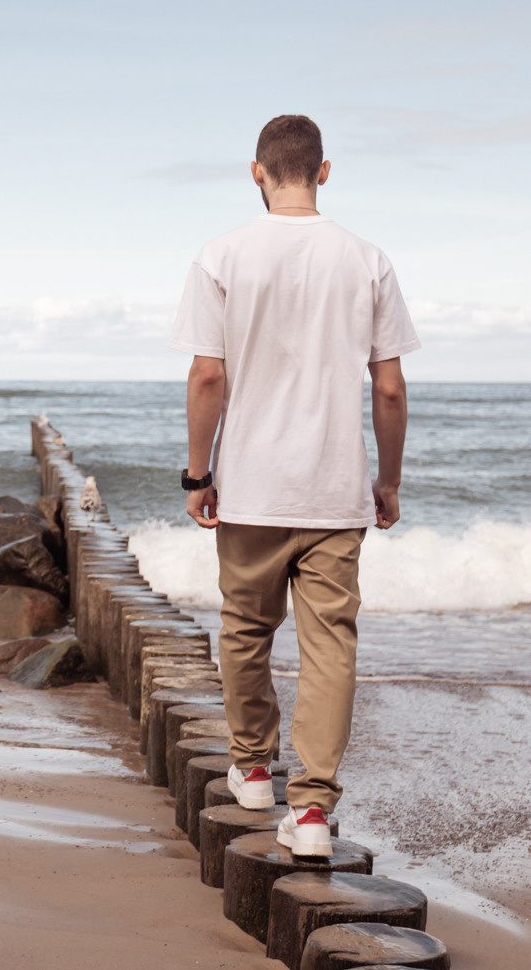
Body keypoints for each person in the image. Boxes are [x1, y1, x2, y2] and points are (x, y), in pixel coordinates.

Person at [169, 114, 417, 859]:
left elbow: (208, 374)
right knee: (329, 644)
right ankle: (311, 810)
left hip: (251, 481)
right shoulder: (366, 258)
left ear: (257, 172)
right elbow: (392, 387)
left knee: (245, 628)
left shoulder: (221, 255)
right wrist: (389, 479)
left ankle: (251, 766)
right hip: (334, 486)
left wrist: (198, 471)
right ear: (325, 171)